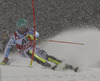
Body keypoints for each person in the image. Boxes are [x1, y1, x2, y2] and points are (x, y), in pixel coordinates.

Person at [1, 19, 78, 71]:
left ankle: (65, 65)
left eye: (24, 28)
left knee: (46, 56)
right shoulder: (14, 36)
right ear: (18, 28)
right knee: (29, 53)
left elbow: (37, 34)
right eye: (21, 28)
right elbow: (8, 47)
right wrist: (5, 58)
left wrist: (33, 37)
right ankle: (48, 65)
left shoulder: (29, 30)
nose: (23, 30)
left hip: (33, 47)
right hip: (23, 52)